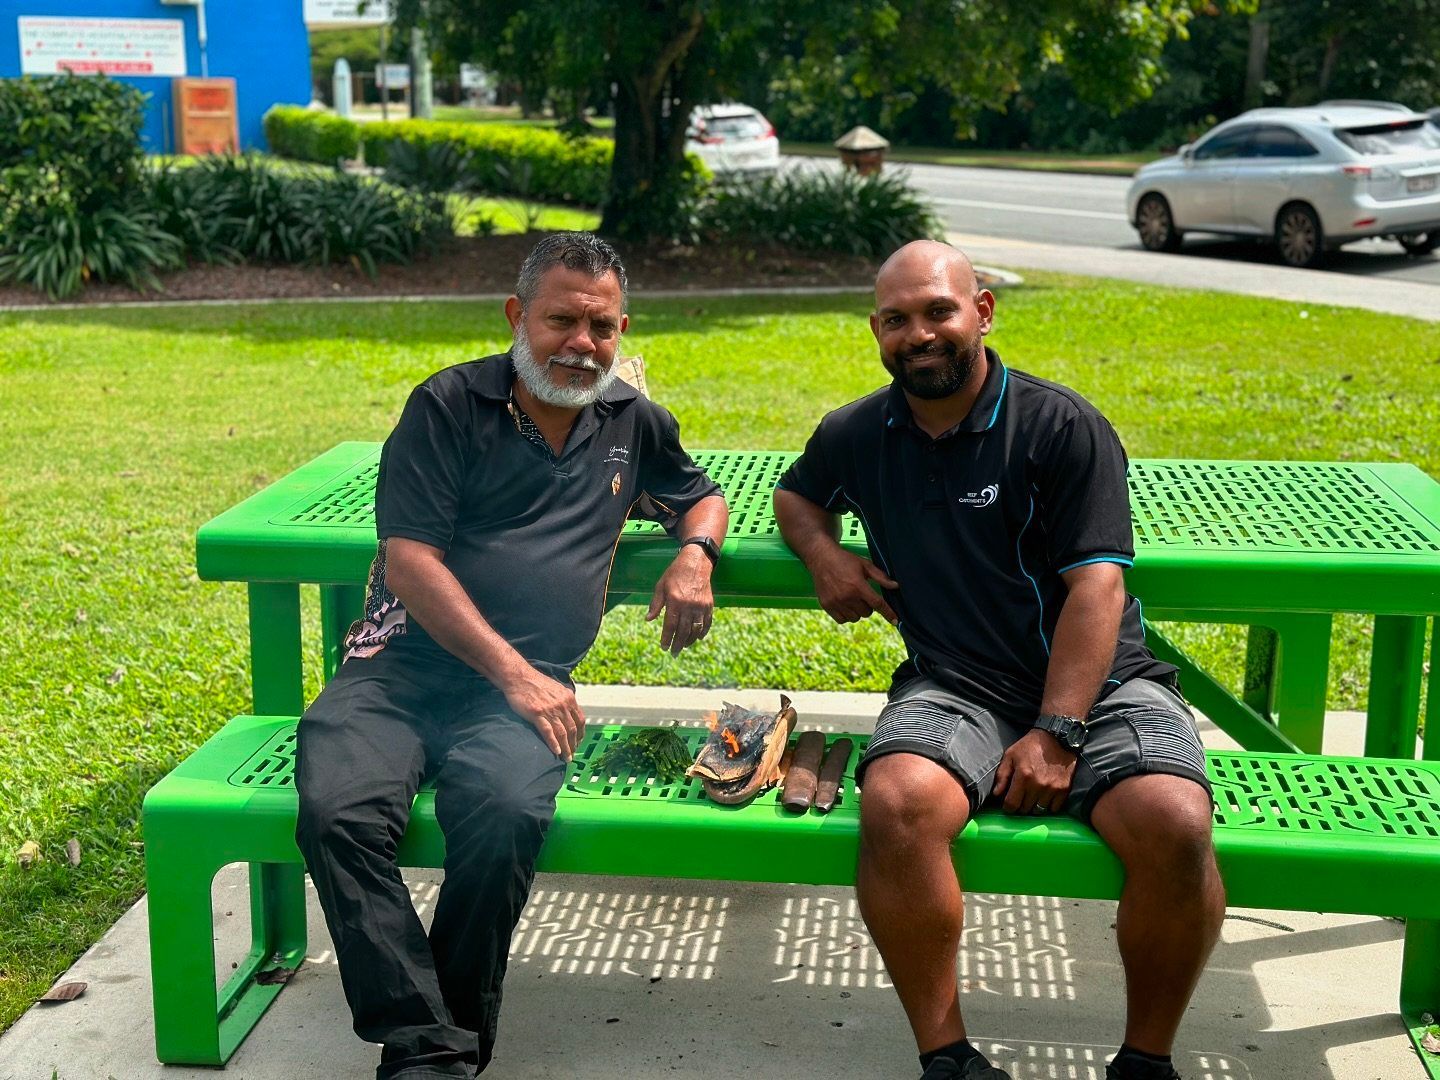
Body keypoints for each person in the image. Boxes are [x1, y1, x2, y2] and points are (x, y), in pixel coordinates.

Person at [773, 240, 1225, 1080]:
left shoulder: (1061, 425)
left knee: (1176, 820)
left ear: (981, 311)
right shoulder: (856, 432)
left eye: (939, 311)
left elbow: (1097, 588)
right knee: (898, 802)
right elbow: (796, 493)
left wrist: (1057, 731)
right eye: (897, 320)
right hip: (955, 684)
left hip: (1103, 686)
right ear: (876, 330)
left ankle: (1145, 1060)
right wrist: (824, 555)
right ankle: (948, 1059)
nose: (920, 335)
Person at [295, 232, 728, 1079]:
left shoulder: (630, 421)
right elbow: (413, 560)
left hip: (525, 696)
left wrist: (696, 554)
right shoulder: (448, 407)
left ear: (622, 330)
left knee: (501, 818)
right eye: (562, 321)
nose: (582, 345)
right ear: (516, 316)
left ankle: (431, 1053)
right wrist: (516, 675)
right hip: (400, 672)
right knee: (337, 814)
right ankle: (435, 1050)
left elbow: (700, 494)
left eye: (601, 328)